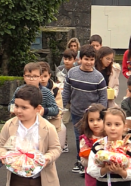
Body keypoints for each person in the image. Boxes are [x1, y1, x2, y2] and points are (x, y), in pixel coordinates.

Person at [62, 44, 108, 174]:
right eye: (86, 59)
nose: (89, 62)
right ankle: (81, 161)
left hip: (93, 115)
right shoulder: (72, 73)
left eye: (92, 59)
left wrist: (101, 113)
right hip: (77, 112)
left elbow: (103, 97)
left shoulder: (98, 77)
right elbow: (66, 92)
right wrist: (61, 107)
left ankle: (95, 161)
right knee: (79, 138)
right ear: (80, 59)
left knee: (93, 138)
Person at [39, 62, 66, 150]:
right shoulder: (32, 88)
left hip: (52, 120)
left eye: (45, 76)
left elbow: (59, 107)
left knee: (52, 148)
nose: (42, 79)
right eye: (40, 76)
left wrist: (48, 111)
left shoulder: (55, 89)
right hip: (38, 121)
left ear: (49, 75)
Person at [56, 48, 77, 148]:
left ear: (74, 60)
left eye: (69, 59)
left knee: (78, 123)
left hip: (75, 98)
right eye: (65, 59)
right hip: (63, 97)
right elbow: (57, 81)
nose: (67, 61)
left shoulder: (77, 70)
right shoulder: (60, 69)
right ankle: (64, 142)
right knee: (63, 121)